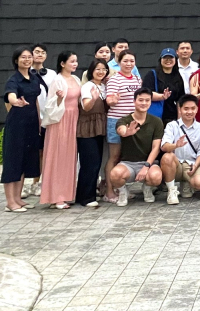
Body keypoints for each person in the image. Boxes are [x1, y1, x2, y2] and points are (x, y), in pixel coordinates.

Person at [2, 48, 46, 212]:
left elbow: (35, 100)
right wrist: (16, 102)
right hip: (17, 125)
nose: (27, 60)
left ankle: (18, 198)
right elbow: (11, 96)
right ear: (16, 60)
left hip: (32, 123)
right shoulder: (13, 80)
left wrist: (39, 121)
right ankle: (10, 202)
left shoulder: (34, 78)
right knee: (13, 161)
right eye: (23, 57)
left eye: (29, 57)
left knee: (24, 160)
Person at [40, 51, 81, 208]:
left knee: (70, 158)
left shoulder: (76, 79)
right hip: (61, 121)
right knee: (58, 157)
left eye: (76, 61)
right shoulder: (57, 80)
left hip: (74, 119)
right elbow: (50, 105)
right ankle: (56, 196)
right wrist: (59, 98)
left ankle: (66, 194)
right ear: (62, 64)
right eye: (72, 61)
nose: (75, 64)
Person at [111, 88, 164, 207]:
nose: (144, 103)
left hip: (148, 163)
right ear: (134, 101)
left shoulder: (156, 121)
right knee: (115, 174)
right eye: (140, 100)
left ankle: (147, 188)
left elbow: (156, 148)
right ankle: (123, 191)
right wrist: (127, 132)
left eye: (147, 100)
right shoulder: (124, 120)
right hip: (128, 164)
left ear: (150, 102)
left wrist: (146, 166)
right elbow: (121, 130)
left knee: (156, 177)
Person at [104, 50, 142, 202]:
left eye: (132, 61)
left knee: (125, 157)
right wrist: (113, 101)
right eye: (125, 61)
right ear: (119, 63)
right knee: (114, 156)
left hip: (132, 121)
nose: (129, 64)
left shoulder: (137, 79)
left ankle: (121, 189)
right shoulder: (114, 79)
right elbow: (109, 100)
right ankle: (109, 192)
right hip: (116, 121)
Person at [159, 94, 200, 203]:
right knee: (167, 157)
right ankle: (171, 191)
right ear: (180, 109)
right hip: (176, 165)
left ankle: (186, 184)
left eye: (193, 108)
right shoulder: (171, 126)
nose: (189, 112)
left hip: (191, 164)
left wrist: (196, 165)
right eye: (186, 109)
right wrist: (175, 145)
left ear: (197, 109)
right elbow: (164, 146)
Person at [25, 43, 56, 199]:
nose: (39, 55)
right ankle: (22, 184)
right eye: (37, 52)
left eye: (43, 52)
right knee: (28, 151)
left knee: (43, 152)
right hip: (29, 118)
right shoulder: (24, 73)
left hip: (47, 118)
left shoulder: (52, 74)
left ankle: (38, 183)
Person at [76, 59, 108, 207]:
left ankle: (84, 194)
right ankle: (86, 198)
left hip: (99, 126)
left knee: (96, 162)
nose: (101, 72)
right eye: (98, 69)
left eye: (104, 69)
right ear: (91, 71)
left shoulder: (103, 86)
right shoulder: (87, 86)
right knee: (90, 162)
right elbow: (86, 107)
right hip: (87, 127)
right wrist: (94, 98)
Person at [145, 48, 185, 124]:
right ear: (160, 59)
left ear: (175, 60)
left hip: (171, 116)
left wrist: (179, 118)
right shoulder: (152, 74)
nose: (168, 60)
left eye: (171, 58)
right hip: (155, 115)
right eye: (165, 58)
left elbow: (180, 99)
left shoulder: (178, 77)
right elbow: (146, 94)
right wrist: (162, 97)